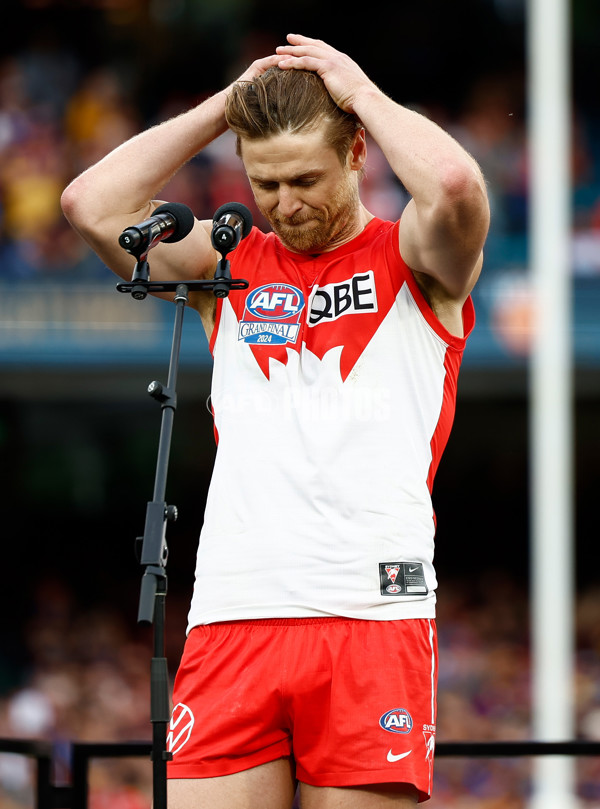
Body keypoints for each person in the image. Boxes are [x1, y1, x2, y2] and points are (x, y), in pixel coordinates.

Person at [61, 33, 489, 809]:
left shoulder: (419, 258)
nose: (286, 204)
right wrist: (225, 108)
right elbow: (90, 206)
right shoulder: (226, 268)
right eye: (265, 183)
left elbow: (455, 183)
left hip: (371, 616)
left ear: (360, 152)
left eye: (305, 178)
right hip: (232, 615)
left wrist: (360, 90)